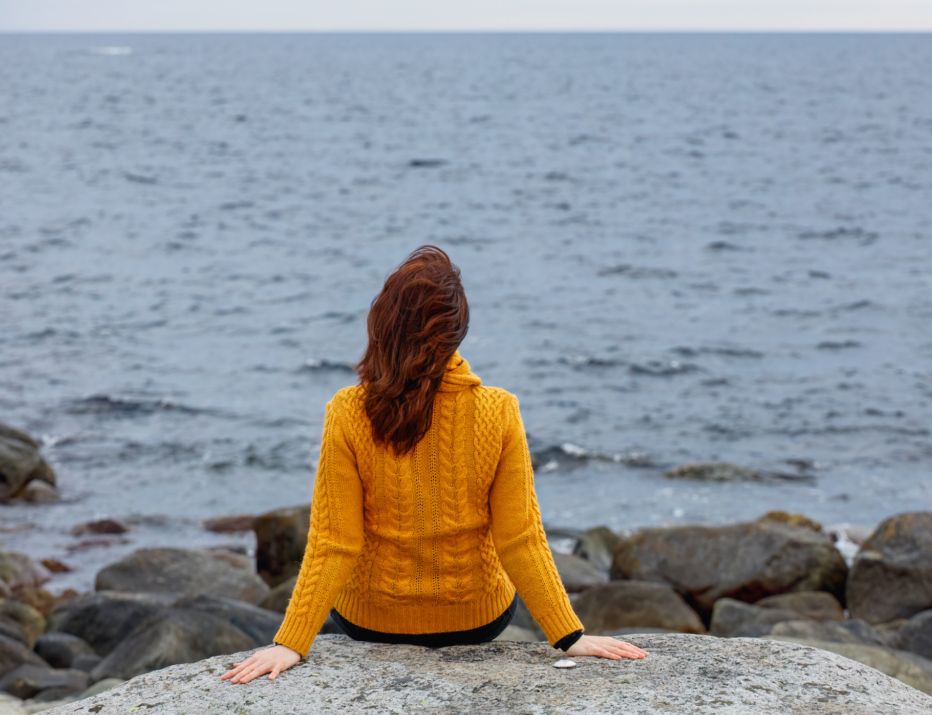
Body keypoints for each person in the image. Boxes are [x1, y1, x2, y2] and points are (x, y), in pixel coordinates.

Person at [223, 246, 647, 685]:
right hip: (476, 620)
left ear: (383, 326)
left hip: (372, 622)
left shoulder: (347, 411)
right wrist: (568, 634)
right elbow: (519, 538)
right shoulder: (499, 410)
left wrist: (290, 642)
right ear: (457, 331)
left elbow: (335, 541)